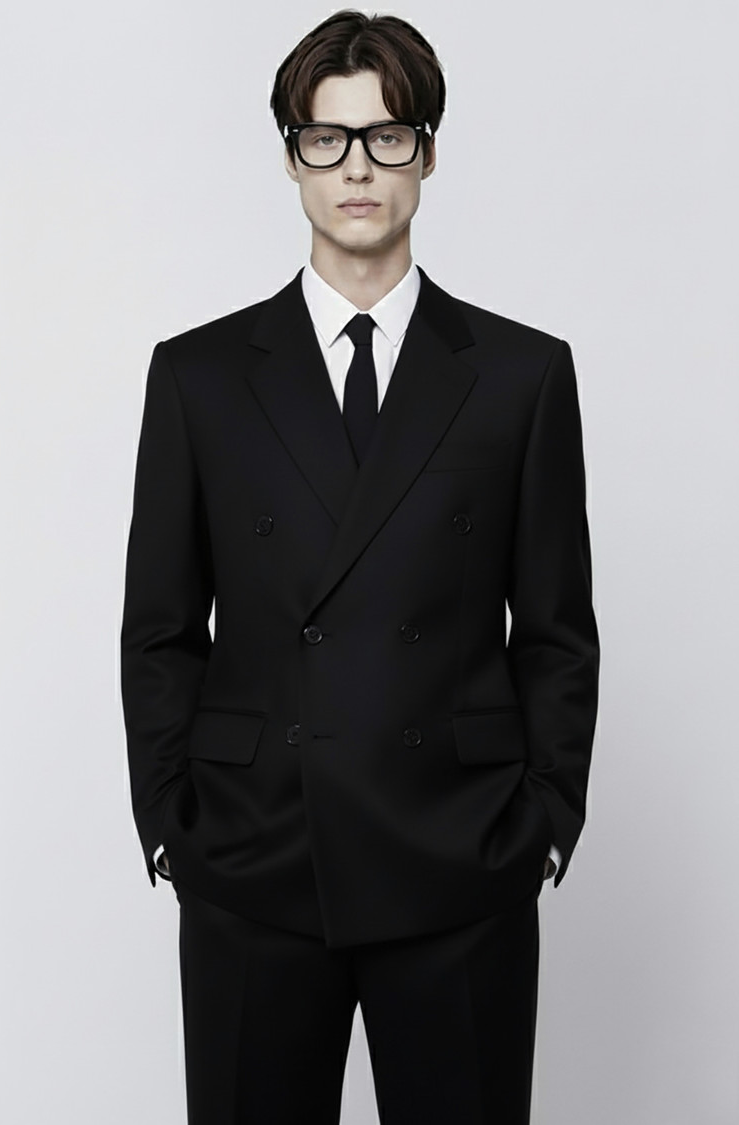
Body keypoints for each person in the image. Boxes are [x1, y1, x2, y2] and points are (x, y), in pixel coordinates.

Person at [120, 10, 600, 1124]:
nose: (356, 168)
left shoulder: (521, 375)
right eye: (326, 138)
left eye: (387, 137)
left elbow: (558, 631)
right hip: (254, 859)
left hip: (459, 859)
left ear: (427, 152)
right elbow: (160, 628)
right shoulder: (198, 376)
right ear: (291, 157)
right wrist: (172, 819)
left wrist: (542, 821)